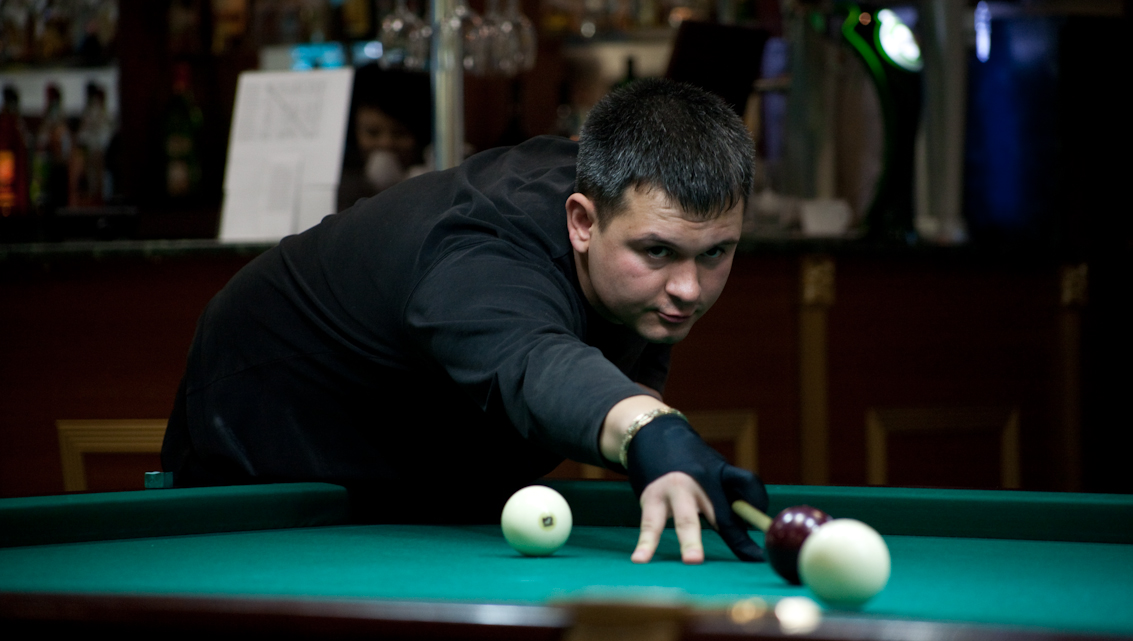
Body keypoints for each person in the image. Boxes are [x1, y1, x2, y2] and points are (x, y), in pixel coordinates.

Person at [163, 78, 769, 565]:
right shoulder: (479, 257)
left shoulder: (628, 218)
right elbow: (535, 361)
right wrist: (649, 429)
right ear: (582, 223)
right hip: (270, 426)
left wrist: (647, 422)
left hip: (420, 443)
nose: (689, 289)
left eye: (716, 252)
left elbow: (615, 362)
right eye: (659, 252)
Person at [337, 64, 433, 211]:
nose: (386, 143)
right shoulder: (339, 183)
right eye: (372, 133)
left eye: (400, 133)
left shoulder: (434, 177)